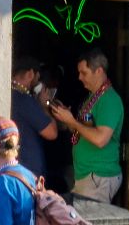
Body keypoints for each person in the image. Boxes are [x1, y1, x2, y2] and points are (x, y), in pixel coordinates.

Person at [49, 49, 124, 203]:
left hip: (98, 175)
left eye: (84, 73)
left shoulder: (109, 100)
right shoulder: (93, 97)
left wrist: (73, 121)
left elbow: (100, 139)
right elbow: (82, 131)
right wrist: (67, 119)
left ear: (99, 71)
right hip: (87, 175)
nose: (79, 77)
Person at [9, 57, 57, 181]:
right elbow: (51, 133)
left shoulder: (11, 95)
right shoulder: (24, 100)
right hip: (28, 172)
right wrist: (44, 106)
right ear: (30, 74)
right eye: (38, 77)